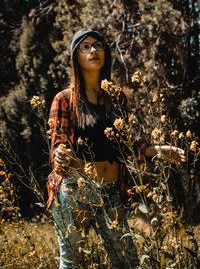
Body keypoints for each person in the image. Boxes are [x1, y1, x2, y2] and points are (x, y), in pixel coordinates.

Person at [46, 29, 186, 269]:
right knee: (72, 263)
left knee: (128, 261)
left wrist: (158, 150)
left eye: (98, 45)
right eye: (85, 46)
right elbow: (57, 145)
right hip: (74, 190)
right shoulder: (64, 99)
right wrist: (60, 154)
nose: (93, 51)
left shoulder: (117, 97)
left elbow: (122, 147)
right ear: (75, 57)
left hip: (110, 191)